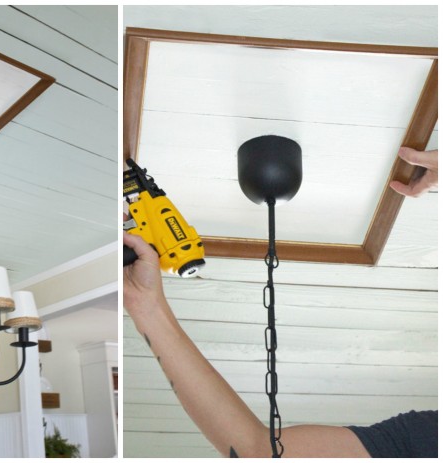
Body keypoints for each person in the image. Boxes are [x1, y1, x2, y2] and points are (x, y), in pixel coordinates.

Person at [123, 148, 437, 458]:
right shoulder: (427, 437)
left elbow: (257, 452)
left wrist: (144, 307)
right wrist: (144, 305)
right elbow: (256, 450)